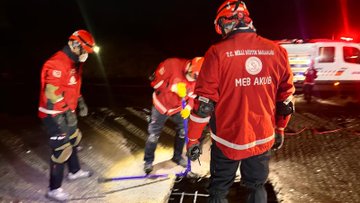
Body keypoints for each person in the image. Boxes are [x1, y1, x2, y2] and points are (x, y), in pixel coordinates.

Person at [185, 1, 295, 202]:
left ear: (225, 22)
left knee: (218, 191)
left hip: (227, 140)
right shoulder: (277, 51)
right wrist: (279, 129)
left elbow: (204, 105)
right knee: (256, 187)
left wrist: (193, 139)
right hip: (262, 139)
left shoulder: (217, 53)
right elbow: (285, 100)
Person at [38, 29, 96, 201]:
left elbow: (73, 86)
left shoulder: (75, 62)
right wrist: (65, 108)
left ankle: (74, 171)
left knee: (73, 139)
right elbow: (51, 92)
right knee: (62, 149)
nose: (86, 54)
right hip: (53, 113)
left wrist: (81, 102)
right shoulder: (57, 62)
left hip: (67, 110)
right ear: (74, 44)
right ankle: (53, 189)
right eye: (84, 50)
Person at [143, 57, 204, 174]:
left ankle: (177, 157)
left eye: (196, 77)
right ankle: (148, 161)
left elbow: (193, 97)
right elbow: (155, 83)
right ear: (190, 66)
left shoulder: (200, 80)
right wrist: (172, 87)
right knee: (153, 135)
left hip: (178, 108)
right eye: (193, 75)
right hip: (161, 105)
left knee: (182, 132)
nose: (193, 79)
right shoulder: (171, 64)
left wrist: (188, 107)